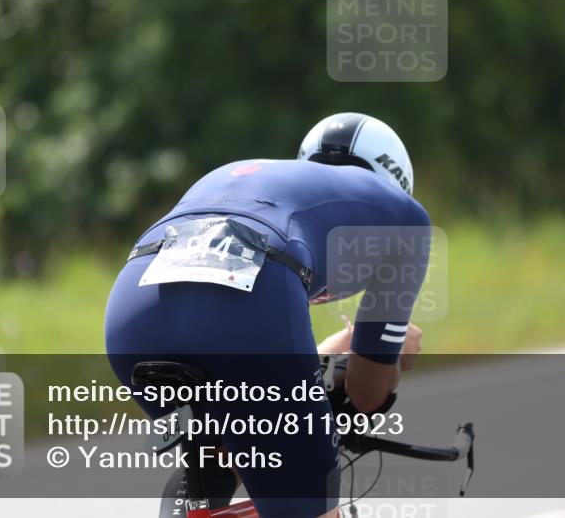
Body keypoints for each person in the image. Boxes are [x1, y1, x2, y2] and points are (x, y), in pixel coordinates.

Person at [104, 112, 430, 518]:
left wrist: (331, 352)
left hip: (132, 308)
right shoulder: (407, 216)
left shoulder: (255, 177)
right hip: (255, 301)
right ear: (397, 181)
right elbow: (366, 392)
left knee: (215, 456)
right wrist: (394, 355)